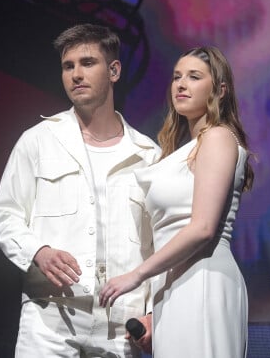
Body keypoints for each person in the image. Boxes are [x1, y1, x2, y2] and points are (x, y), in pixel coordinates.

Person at [0, 23, 160, 357]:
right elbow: (4, 215)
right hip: (51, 318)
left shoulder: (147, 155)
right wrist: (38, 251)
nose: (76, 74)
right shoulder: (38, 140)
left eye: (87, 63)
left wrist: (155, 311)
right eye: (68, 66)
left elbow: (161, 243)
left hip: (121, 324)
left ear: (114, 70)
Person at [99, 46, 254, 357]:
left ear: (219, 90)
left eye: (194, 77)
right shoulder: (184, 148)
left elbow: (203, 228)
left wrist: (137, 274)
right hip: (175, 284)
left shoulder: (218, 137)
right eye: (176, 77)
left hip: (204, 278)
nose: (181, 84)